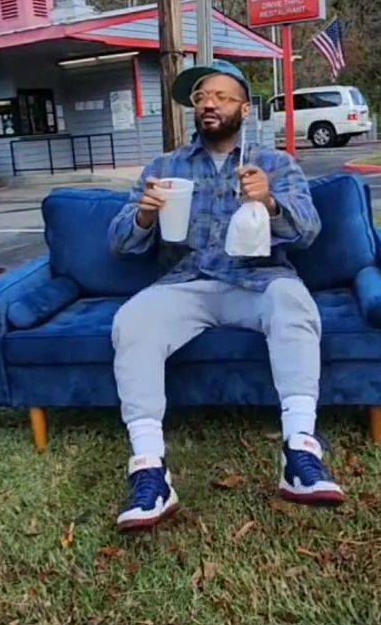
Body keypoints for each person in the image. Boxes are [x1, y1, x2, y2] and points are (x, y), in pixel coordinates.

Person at [108, 60, 346, 533]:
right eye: (199, 99)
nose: (208, 104)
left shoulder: (275, 164)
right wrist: (145, 216)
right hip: (187, 283)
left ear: (244, 107)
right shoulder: (165, 167)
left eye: (219, 96)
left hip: (256, 282)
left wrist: (270, 201)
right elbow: (117, 241)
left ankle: (300, 452)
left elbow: (309, 231)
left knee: (294, 304)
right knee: (131, 322)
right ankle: (150, 469)